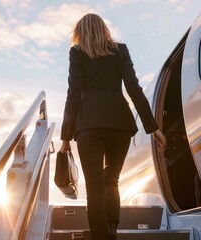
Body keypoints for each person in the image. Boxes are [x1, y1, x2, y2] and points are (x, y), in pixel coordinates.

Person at [59, 13, 166, 240]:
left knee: (95, 186)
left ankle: (101, 237)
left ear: (80, 32)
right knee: (111, 181)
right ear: (103, 29)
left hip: (88, 126)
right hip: (119, 125)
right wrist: (153, 127)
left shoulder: (77, 52)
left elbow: (74, 93)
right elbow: (134, 89)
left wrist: (65, 136)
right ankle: (111, 231)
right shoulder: (120, 50)